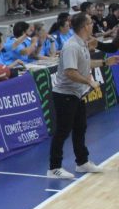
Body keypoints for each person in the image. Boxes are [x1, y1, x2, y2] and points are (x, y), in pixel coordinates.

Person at [47, 12, 119, 179]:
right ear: (85, 26)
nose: (92, 24)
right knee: (63, 131)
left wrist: (105, 62)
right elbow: (70, 72)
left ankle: (82, 162)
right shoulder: (71, 46)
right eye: (90, 23)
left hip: (77, 93)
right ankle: (54, 168)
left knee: (80, 127)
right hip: (65, 94)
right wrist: (89, 82)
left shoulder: (83, 43)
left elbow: (85, 64)